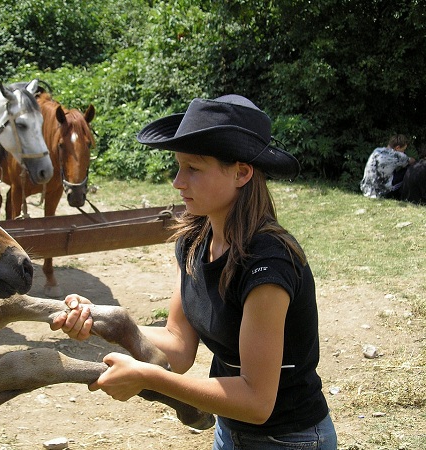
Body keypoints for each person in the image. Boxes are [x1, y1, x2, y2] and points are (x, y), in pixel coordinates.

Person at [50, 95, 337, 449]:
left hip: (291, 440)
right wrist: (102, 322)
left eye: (193, 169)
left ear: (242, 172)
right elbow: (180, 347)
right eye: (178, 166)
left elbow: (256, 401)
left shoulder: (269, 265)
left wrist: (148, 377)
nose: (177, 182)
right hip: (229, 433)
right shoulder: (194, 243)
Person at [360, 134, 415, 199]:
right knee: (410, 170)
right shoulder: (397, 155)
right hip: (381, 193)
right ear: (397, 148)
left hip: (366, 189)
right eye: (403, 150)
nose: (403, 152)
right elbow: (412, 161)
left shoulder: (377, 150)